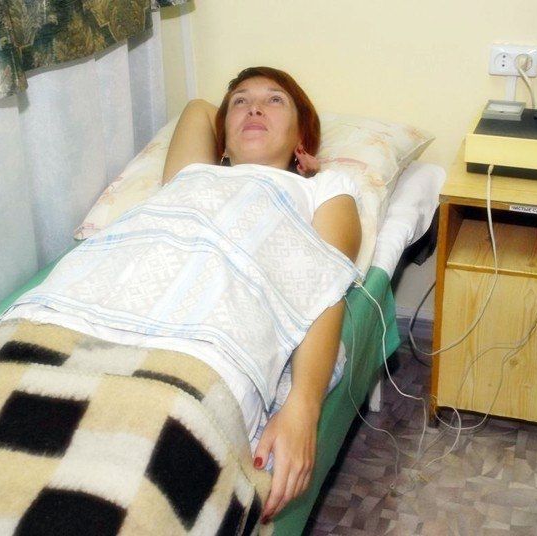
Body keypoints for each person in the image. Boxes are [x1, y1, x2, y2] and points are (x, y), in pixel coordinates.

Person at [162, 66, 361, 523]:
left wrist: (303, 406)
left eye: (274, 100)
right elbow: (198, 109)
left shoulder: (322, 189)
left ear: (300, 139)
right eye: (240, 101)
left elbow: (325, 285)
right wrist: (231, 137)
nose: (254, 108)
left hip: (215, 333)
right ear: (221, 143)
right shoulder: (193, 176)